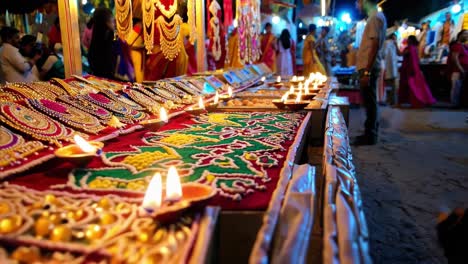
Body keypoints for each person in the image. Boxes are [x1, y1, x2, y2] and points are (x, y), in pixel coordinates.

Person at [354, 0, 387, 145]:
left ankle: (370, 134)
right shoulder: (377, 17)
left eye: (358, 2)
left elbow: (374, 45)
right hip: (369, 66)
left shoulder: (375, 18)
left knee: (370, 101)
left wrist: (367, 71)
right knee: (369, 101)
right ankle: (370, 132)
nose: (357, 6)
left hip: (369, 67)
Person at [398, 35, 436, 108]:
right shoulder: (414, 48)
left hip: (410, 70)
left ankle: (417, 101)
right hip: (415, 69)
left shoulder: (409, 48)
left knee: (413, 87)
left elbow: (402, 54)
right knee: (419, 86)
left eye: (408, 39)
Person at [88, 7, 117, 80]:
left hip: (98, 78)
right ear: (107, 22)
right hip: (109, 79)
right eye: (112, 21)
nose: (114, 24)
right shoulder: (110, 35)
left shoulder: (96, 35)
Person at [448, 30, 468, 107]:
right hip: (458, 71)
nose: (467, 36)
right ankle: (454, 104)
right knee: (456, 87)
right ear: (460, 35)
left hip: (464, 70)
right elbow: (455, 59)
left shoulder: (464, 46)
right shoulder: (457, 46)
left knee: (460, 88)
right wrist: (461, 69)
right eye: (465, 34)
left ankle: (459, 103)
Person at [383, 33, 402, 105]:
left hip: (387, 67)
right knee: (392, 85)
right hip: (391, 67)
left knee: (388, 85)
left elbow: (384, 54)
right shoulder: (392, 43)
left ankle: (389, 100)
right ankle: (392, 101)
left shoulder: (385, 43)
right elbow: (399, 53)